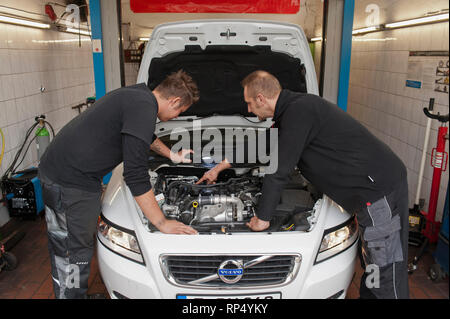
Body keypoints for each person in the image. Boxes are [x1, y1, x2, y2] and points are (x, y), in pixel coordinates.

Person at [197, 70, 409, 299]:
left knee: (384, 268)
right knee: (372, 264)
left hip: (377, 193)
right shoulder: (293, 112)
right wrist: (220, 167)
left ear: (260, 98)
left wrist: (263, 218)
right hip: (368, 194)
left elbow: (278, 170)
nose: (248, 109)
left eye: (249, 103)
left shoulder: (300, 111)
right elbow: (263, 144)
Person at [38, 70, 199, 299]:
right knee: (72, 250)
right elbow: (135, 174)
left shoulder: (139, 96)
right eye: (180, 111)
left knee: (78, 245)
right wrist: (161, 222)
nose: (176, 116)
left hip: (72, 175)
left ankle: (76, 295)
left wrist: (172, 155)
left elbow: (146, 136)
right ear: (173, 100)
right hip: (68, 182)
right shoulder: (143, 106)